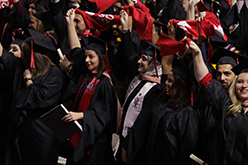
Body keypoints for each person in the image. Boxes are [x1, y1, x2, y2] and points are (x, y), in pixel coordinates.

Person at [190, 40, 248, 164]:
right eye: (240, 81)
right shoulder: (227, 105)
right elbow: (205, 80)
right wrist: (197, 53)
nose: (244, 86)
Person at [62, 9, 119, 165]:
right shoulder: (87, 75)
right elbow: (76, 50)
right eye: (86, 56)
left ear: (101, 58)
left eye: (91, 57)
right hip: (79, 135)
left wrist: (80, 116)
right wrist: (70, 24)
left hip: (95, 144)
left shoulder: (104, 83)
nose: (86, 60)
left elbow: (103, 115)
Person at [0, 32, 64, 165]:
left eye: (25, 53)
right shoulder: (20, 67)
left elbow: (41, 97)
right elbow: (3, 56)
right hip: (22, 131)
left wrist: (29, 81)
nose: (22, 56)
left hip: (43, 133)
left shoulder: (54, 74)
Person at [126, 61, 199, 165]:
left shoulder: (187, 114)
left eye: (170, 81)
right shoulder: (162, 102)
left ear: (180, 85)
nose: (165, 83)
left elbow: (187, 148)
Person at [120, 41, 163, 163]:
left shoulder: (155, 89)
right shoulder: (139, 79)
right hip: (125, 137)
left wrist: (128, 145)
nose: (139, 61)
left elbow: (142, 124)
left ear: (155, 64)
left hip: (135, 145)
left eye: (144, 59)